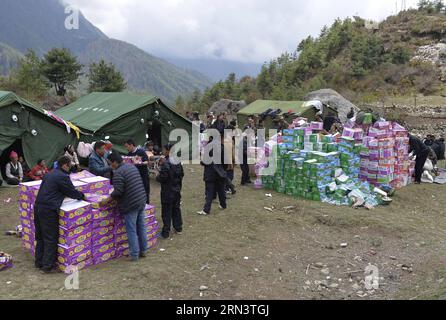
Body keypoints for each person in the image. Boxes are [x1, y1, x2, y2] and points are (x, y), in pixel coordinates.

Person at [34, 156, 85, 273]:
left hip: (38, 206)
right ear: (65, 165)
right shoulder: (62, 177)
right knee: (50, 237)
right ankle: (48, 266)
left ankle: (39, 262)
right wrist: (83, 196)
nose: (71, 167)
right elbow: (71, 191)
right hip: (48, 209)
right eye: (70, 165)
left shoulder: (49, 173)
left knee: (40, 236)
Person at [107, 151, 148, 261]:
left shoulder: (118, 173)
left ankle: (134, 254)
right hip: (141, 199)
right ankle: (144, 250)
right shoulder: (131, 167)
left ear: (115, 162)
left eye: (110, 164)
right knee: (141, 226)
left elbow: (118, 192)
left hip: (131, 204)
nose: (110, 166)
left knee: (131, 229)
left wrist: (106, 200)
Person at [156, 144, 184, 239]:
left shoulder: (166, 163)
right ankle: (178, 227)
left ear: (168, 151)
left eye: (164, 150)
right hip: (176, 189)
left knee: (167, 211)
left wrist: (157, 175)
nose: (163, 151)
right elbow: (181, 174)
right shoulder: (177, 161)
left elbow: (163, 177)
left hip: (168, 191)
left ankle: (166, 232)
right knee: (176, 209)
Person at [197, 138, 227, 216]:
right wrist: (222, 169)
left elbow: (205, 161)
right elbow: (225, 161)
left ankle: (206, 210)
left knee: (209, 191)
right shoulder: (221, 147)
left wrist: (202, 162)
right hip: (220, 171)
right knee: (221, 190)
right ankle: (223, 204)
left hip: (210, 172)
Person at [124, 139, 151, 204]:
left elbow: (147, 162)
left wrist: (139, 163)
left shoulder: (141, 151)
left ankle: (146, 206)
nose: (126, 148)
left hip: (143, 175)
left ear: (131, 145)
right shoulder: (129, 154)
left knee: (145, 191)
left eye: (127, 146)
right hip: (134, 177)